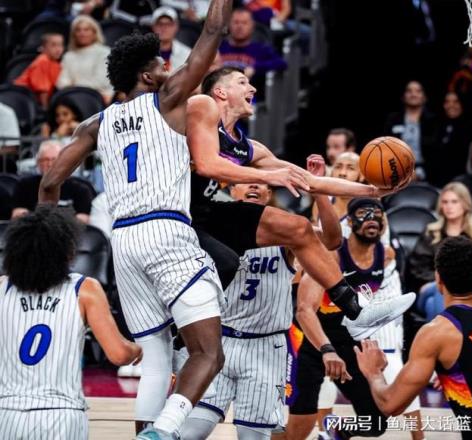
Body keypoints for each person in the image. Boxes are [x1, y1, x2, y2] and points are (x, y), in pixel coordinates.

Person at [36, 1, 298, 437]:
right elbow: (212, 33)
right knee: (209, 353)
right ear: (147, 76)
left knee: (156, 360)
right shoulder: (169, 98)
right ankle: (164, 432)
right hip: (165, 231)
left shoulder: (94, 124)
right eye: (162, 64)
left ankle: (147, 433)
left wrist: (47, 249)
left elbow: (49, 182)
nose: (169, 68)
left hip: (123, 242)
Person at [187, 65, 415, 343]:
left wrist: (373, 191)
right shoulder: (200, 113)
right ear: (221, 92)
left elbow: (311, 181)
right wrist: (269, 176)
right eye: (242, 82)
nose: (253, 88)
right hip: (173, 214)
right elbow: (207, 164)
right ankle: (182, 327)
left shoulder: (248, 147)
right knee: (227, 263)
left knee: (299, 227)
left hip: (203, 213)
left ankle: (355, 311)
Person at [180, 155, 342, 440]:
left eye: (260, 182)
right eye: (247, 180)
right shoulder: (212, 228)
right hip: (218, 340)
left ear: (269, 191)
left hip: (265, 346)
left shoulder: (287, 232)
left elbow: (331, 240)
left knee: (252, 435)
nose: (254, 186)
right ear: (233, 188)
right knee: (191, 431)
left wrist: (318, 191)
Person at [0, 205, 142, 439]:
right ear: (67, 251)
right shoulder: (85, 289)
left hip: (7, 414)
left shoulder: (3, 288)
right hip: (62, 416)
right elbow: (119, 355)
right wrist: (137, 349)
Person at [284, 198, 417, 440]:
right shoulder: (332, 255)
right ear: (350, 221)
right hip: (311, 341)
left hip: (348, 342)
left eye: (377, 213)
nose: (372, 218)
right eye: (364, 213)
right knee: (298, 431)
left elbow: (374, 306)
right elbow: (304, 311)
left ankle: (335, 431)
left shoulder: (386, 255)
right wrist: (326, 350)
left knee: (376, 422)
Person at [355, 236, 472, 440]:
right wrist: (460, 371)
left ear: (438, 278)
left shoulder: (437, 333)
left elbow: (390, 404)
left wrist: (374, 373)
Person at [406, 182, 472, 321]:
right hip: (432, 286)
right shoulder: (431, 233)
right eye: (445, 202)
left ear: (465, 204)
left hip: (468, 289)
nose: (449, 206)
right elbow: (418, 268)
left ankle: (442, 332)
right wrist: (441, 280)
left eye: (454, 202)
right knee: (442, 287)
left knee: (431, 305)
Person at [13, 140, 94, 223]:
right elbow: (17, 213)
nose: (50, 164)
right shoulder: (24, 185)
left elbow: (84, 218)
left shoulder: (81, 189)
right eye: (45, 160)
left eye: (54, 159)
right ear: (38, 163)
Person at [383, 80, 437, 180]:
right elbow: (385, 147)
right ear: (403, 96)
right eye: (409, 91)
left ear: (424, 97)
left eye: (418, 91)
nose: (413, 94)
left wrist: (420, 173)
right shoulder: (393, 119)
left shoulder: (434, 121)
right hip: (395, 170)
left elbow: (437, 152)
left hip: (428, 174)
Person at [219, 8, 287, 83]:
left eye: (244, 23)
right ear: (229, 25)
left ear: (252, 26)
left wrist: (255, 67)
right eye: (236, 22)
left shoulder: (261, 49)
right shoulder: (219, 48)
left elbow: (281, 63)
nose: (239, 27)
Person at [56, 15, 114, 104]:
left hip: (99, 99)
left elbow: (101, 81)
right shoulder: (68, 56)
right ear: (73, 34)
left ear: (94, 33)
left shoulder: (104, 52)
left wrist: (74, 86)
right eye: (78, 30)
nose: (82, 33)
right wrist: (74, 89)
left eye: (86, 30)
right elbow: (61, 82)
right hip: (72, 99)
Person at [427, 91, 472, 187]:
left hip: (462, 181)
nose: (451, 105)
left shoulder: (471, 127)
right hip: (436, 181)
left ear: (462, 104)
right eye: (447, 102)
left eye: (456, 102)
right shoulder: (436, 125)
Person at [14, 33, 64, 109]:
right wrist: (46, 110)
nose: (58, 49)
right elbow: (43, 91)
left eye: (60, 45)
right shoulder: (43, 61)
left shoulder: (55, 63)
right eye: (53, 45)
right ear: (44, 48)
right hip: (20, 96)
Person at [151, 6, 192, 71]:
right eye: (160, 24)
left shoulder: (187, 54)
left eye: (169, 24)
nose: (164, 28)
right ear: (153, 27)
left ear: (176, 26)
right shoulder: (143, 54)